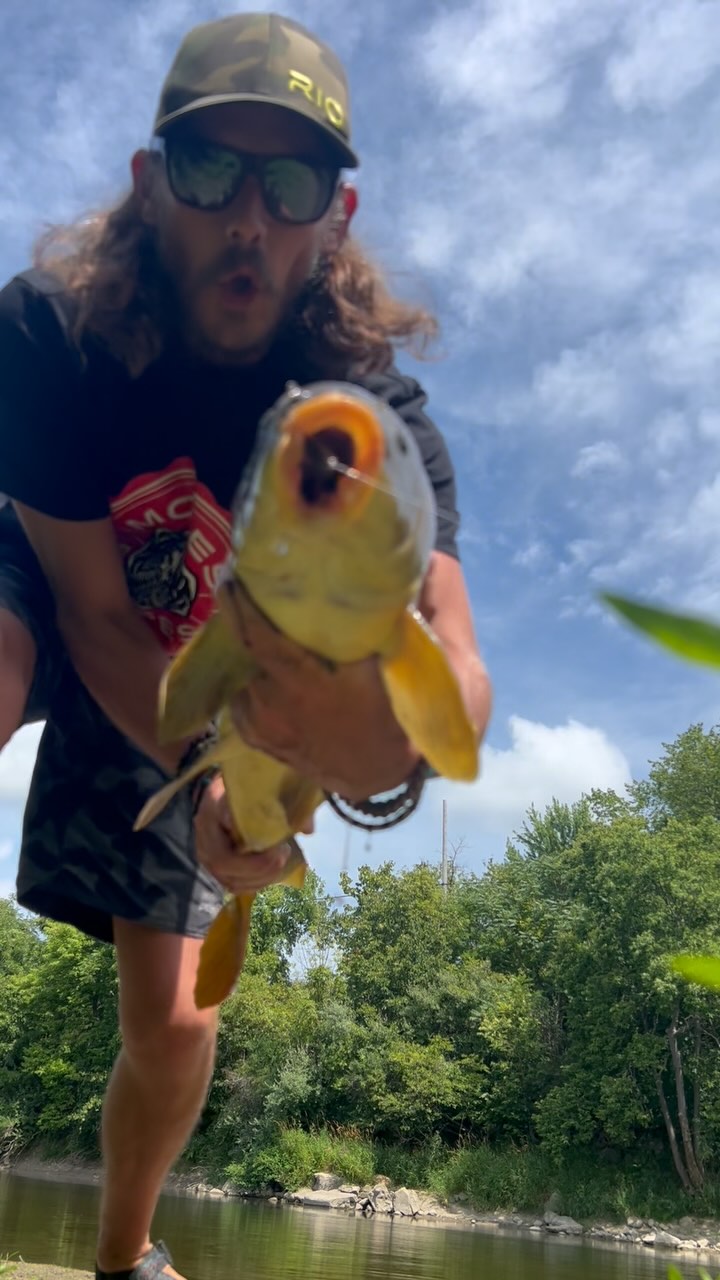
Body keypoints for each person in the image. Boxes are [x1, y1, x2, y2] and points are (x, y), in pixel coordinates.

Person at [0, 11, 492, 1279]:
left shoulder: (379, 416)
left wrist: (354, 759)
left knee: (174, 1022)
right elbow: (91, 611)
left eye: (294, 182)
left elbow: (454, 670)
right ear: (149, 180)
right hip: (66, 587)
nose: (250, 218)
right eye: (213, 168)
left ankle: (123, 1258)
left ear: (337, 212)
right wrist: (197, 759)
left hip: (238, 682)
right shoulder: (49, 334)